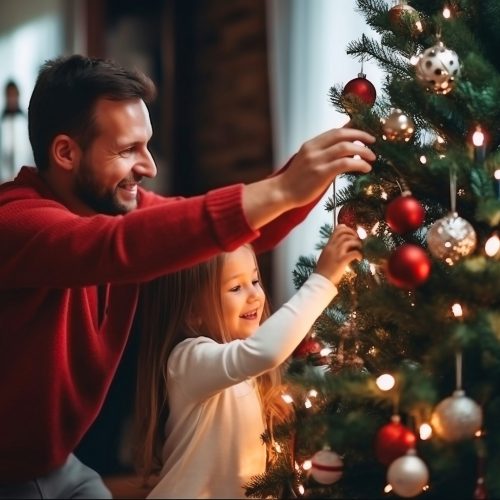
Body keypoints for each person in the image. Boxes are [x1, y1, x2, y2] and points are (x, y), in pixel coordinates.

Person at [0, 53, 375, 499]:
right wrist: (281, 188)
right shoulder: (15, 222)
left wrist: (318, 170)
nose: (149, 167)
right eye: (126, 150)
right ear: (65, 152)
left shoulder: (121, 209)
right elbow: (115, 247)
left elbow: (221, 238)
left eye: (147, 145)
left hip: (57, 463)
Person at [134, 224, 362, 499]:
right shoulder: (187, 360)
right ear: (193, 312)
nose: (254, 294)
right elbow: (263, 352)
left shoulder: (245, 373)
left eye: (255, 281)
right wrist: (322, 280)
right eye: (235, 287)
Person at [0, 80, 33, 183]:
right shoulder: (2, 122)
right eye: (9, 95)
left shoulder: (26, 121)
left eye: (14, 95)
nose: (12, 99)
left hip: (24, 177)